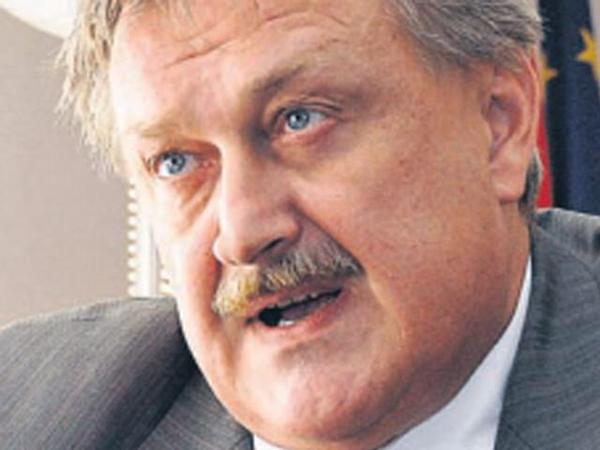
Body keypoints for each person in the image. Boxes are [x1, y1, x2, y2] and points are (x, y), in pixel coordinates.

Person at [1, 0, 600, 449]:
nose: (243, 232)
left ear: (499, 124)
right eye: (176, 162)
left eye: (300, 119)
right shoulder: (30, 410)